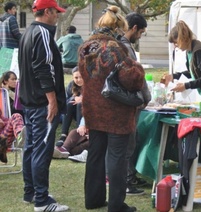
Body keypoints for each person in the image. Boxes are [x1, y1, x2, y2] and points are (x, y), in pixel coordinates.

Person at [78, 6, 144, 211]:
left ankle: (93, 199)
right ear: (118, 27)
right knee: (117, 157)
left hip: (92, 108)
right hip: (115, 112)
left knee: (96, 154)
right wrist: (137, 66)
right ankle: (116, 205)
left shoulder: (85, 46)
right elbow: (131, 79)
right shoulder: (115, 48)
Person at [18, 0, 69, 211]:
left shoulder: (28, 33)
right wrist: (52, 101)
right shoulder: (43, 34)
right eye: (55, 12)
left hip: (29, 101)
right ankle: (41, 200)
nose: (57, 15)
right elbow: (43, 68)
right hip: (41, 103)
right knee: (41, 149)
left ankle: (31, 192)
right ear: (47, 11)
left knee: (31, 147)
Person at [121, 12, 151, 195]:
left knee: (131, 141)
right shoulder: (125, 47)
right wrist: (144, 96)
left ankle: (130, 177)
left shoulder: (122, 45)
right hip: (130, 103)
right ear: (134, 28)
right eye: (140, 32)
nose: (140, 36)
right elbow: (134, 75)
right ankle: (126, 181)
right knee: (128, 143)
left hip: (129, 101)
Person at [56, 66, 83, 147]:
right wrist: (74, 98)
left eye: (81, 77)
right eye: (76, 77)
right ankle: (63, 135)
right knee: (69, 104)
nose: (78, 80)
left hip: (87, 113)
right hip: (73, 112)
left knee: (79, 104)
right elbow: (64, 101)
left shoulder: (90, 85)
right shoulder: (71, 85)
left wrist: (83, 99)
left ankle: (79, 134)